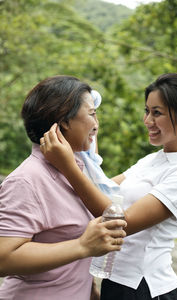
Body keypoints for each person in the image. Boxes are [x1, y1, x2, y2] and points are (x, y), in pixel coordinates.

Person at [40, 73, 177, 300]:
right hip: (116, 283)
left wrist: (67, 165)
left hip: (144, 288)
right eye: (147, 111)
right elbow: (103, 189)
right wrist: (87, 147)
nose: (147, 121)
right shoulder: (153, 160)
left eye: (157, 113)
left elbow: (119, 223)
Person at [0, 75, 127, 300]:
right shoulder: (27, 180)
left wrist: (89, 289)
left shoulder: (77, 169)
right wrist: (82, 246)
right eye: (92, 114)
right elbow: (4, 259)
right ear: (64, 121)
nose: (97, 124)